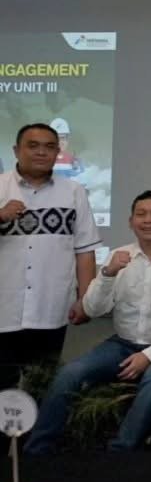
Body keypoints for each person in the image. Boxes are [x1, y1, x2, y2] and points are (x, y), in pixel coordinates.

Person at [26, 191, 151, 454]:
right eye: (141, 214)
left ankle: (120, 452)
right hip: (121, 344)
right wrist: (107, 273)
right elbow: (92, 309)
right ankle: (37, 450)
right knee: (70, 373)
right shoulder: (118, 255)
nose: (148, 220)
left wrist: (148, 355)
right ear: (130, 222)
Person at [0, 123, 100, 387]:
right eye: (33, 146)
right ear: (16, 151)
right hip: (3, 307)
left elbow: (85, 251)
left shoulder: (74, 192)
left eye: (49, 147)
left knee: (41, 386)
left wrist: (85, 300)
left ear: (58, 152)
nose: (41, 152)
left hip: (50, 308)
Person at [49, 117, 86, 181]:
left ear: (67, 140)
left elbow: (81, 180)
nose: (60, 142)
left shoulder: (75, 160)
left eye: (63, 138)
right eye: (57, 139)